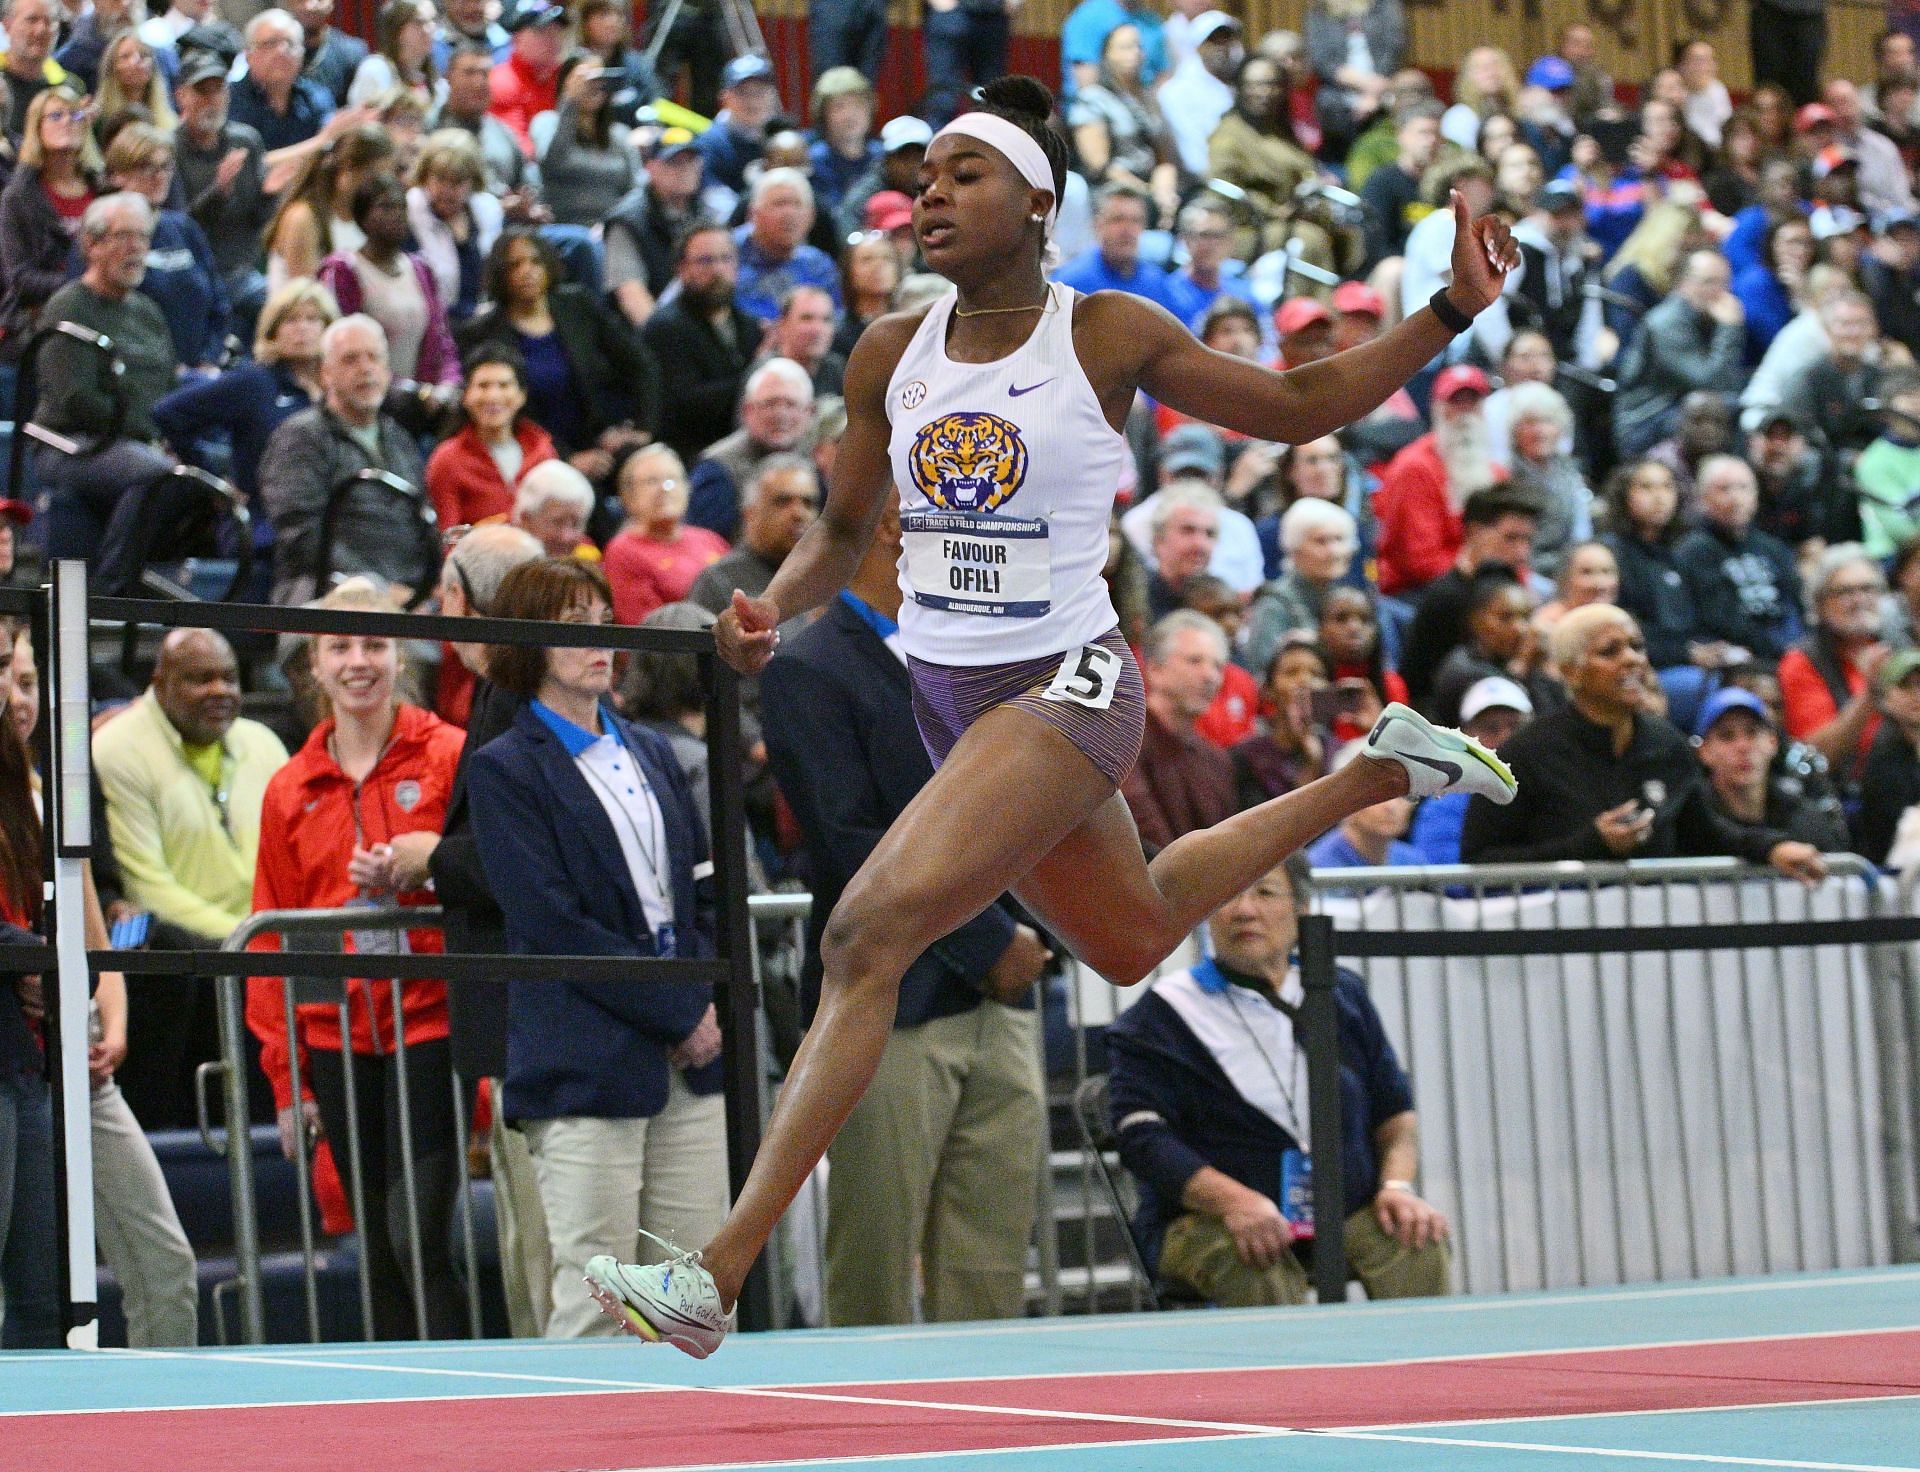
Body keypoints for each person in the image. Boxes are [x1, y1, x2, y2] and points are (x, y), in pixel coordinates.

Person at [581, 74, 1519, 1355]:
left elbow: (1298, 406)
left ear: (1038, 201)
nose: (930, 195)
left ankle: (717, 1274)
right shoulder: (883, 354)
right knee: (1132, 938)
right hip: (950, 697)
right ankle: (1375, 773)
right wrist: (774, 606)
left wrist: (1448, 311)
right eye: (921, 178)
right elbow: (844, 530)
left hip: (1069, 680)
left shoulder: (1106, 333)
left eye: (964, 174)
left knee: (862, 936)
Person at [761, 497, 1047, 1323]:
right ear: (888, 523)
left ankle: (989, 1432)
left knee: (990, 1264)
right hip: (896, 1003)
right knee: (875, 1264)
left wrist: (1036, 938)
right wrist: (992, 940)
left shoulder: (977, 646)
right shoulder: (808, 666)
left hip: (1005, 996)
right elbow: (852, 840)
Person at [468, 557, 728, 1338]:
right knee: (596, 1304)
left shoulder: (651, 750)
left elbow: (700, 890)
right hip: (584, 1056)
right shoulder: (503, 768)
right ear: (530, 646)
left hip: (690, 1054)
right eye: (572, 623)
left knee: (690, 1299)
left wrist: (702, 999)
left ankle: (695, 1458)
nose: (597, 640)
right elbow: (551, 923)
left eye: (601, 618)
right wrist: (680, 1011)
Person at [244, 577, 466, 1340]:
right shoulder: (288, 788)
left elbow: (479, 875)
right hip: (335, 1041)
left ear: (399, 654)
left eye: (373, 643)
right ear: (315, 662)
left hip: (432, 1028)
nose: (359, 661)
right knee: (372, 1247)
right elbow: (273, 937)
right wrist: (288, 1081)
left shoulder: (446, 755)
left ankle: (466, 1405)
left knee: (420, 1238)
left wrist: (424, 867)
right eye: (340, 645)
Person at [1105, 850, 1448, 1306]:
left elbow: (1396, 1114)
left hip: (1343, 1212)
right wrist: (1234, 1202)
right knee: (1251, 1257)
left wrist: (1396, 1187)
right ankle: (1294, 1378)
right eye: (1226, 896)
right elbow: (1142, 1139)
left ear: (1301, 909)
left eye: (1265, 892)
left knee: (1414, 1238)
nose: (1244, 909)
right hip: (1208, 1221)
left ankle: (1416, 1377)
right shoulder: (1158, 1018)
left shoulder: (1339, 992)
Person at [423, 522, 551, 1334]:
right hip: (521, 1012)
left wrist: (428, 859)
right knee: (524, 1232)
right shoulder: (502, 693)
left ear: (464, 600)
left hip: (526, 1008)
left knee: (539, 1240)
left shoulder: (512, 699)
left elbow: (512, 856)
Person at [1461, 604, 1825, 879]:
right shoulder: (1525, 753)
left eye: (1636, 646)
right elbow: (1480, 861)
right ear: (1571, 671)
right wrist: (1591, 845)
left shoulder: (1667, 744)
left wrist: (1773, 847)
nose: (1632, 660)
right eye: (1610, 651)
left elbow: (1706, 832)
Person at [93, 629, 289, 1130]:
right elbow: (146, 887)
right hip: (184, 960)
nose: (220, 690)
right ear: (159, 683)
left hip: (264, 950)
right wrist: (251, 940)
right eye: (200, 679)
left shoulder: (263, 743)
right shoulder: (116, 749)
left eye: (229, 677)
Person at [32, 191, 179, 564]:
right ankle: (114, 594)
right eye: (124, 237)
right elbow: (77, 399)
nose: (136, 248)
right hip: (72, 443)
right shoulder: (70, 305)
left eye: (143, 238)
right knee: (152, 473)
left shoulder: (149, 312)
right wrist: (149, 434)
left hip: (135, 442)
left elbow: (168, 390)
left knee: (211, 477)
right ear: (91, 245)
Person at [259, 314, 436, 606]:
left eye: (374, 358)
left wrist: (432, 583)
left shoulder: (400, 439)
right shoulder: (300, 437)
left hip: (407, 591)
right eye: (350, 359)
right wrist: (376, 589)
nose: (366, 369)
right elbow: (302, 536)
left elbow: (421, 525)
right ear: (326, 374)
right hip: (326, 589)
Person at [457, 228, 658, 468]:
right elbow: (506, 415)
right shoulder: (481, 333)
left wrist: (642, 427)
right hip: (531, 457)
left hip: (603, 442)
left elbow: (641, 364)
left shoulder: (579, 305)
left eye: (535, 261)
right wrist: (566, 458)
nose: (527, 271)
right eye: (514, 265)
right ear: (501, 274)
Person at [155, 278, 336, 541]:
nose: (302, 330)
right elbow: (168, 413)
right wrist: (214, 481)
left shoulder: (338, 387)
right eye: (291, 321)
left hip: (328, 518)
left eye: (312, 319)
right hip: (265, 522)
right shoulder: (254, 382)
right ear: (273, 331)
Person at [1397, 485, 1541, 709]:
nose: (1522, 552)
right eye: (1511, 538)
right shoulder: (1446, 599)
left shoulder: (1513, 587)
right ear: (1473, 532)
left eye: (1528, 540)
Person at [317, 173, 460, 388]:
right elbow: (337, 342)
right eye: (386, 207)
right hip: (365, 390)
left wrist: (449, 383)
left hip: (424, 396)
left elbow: (443, 341)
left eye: (401, 207)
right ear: (362, 216)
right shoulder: (343, 270)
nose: (397, 215)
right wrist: (406, 390)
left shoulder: (421, 268)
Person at [1373, 365, 1503, 599]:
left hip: (1482, 584)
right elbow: (1419, 562)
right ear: (1438, 410)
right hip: (1419, 592)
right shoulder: (1414, 468)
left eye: (1472, 402)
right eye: (1456, 403)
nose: (1465, 413)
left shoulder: (1496, 473)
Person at [641, 223, 760, 464]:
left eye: (725, 259)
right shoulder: (664, 328)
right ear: (681, 269)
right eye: (705, 261)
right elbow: (685, 405)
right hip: (691, 455)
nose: (717, 270)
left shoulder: (749, 325)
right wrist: (755, 374)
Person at [1613, 251, 1748, 459]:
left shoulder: (1707, 319)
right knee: (1732, 411)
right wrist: (1729, 330)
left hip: (1681, 412)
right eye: (1709, 282)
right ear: (1684, 283)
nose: (1720, 292)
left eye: (1724, 283)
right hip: (1647, 422)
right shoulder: (1666, 322)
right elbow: (1708, 382)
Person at [1778, 545, 1893, 789]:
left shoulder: (1896, 645)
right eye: (1845, 592)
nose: (1860, 600)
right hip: (1848, 795)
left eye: (1868, 588)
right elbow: (1815, 758)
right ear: (1819, 604)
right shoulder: (1802, 661)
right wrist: (1869, 696)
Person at [1674, 455, 1803, 663]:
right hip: (1738, 654)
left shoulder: (1772, 547)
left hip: (1787, 646)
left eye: (1743, 488)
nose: (1735, 498)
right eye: (1724, 489)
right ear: (1703, 498)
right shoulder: (1694, 551)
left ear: (1756, 496)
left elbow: (1795, 603)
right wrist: (1780, 651)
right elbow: (1720, 618)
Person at [0, 85, 99, 355]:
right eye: (56, 116)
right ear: (36, 128)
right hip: (37, 329)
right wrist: (86, 281)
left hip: (99, 319)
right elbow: (19, 279)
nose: (67, 122)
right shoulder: (18, 197)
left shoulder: (101, 190)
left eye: (76, 115)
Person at [1694, 686, 1849, 855]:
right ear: (1704, 752)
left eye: (1752, 733)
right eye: (1727, 736)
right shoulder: (1693, 822)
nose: (1743, 747)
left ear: (1772, 742)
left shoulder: (1805, 817)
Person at [172, 48, 273, 301]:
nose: (211, 99)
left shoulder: (247, 141)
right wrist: (217, 192)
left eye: (218, 89)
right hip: (197, 272)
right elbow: (177, 230)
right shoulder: (169, 150)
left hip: (248, 267)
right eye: (201, 91)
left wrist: (271, 194)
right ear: (181, 96)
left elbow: (259, 219)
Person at [426, 343, 558, 533]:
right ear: (465, 396)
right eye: (483, 386)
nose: (493, 396)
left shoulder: (544, 452)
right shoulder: (447, 460)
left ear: (522, 395)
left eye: (504, 385)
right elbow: (447, 539)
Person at [685, 359, 816, 542]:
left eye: (791, 404)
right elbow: (704, 545)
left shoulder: (818, 461)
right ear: (747, 411)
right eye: (770, 404)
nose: (780, 414)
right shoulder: (718, 469)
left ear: (809, 413)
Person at [1408, 675, 1533, 864]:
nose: (1506, 738)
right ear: (1466, 735)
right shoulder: (1443, 805)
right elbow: (1443, 875)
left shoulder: (1551, 785)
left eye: (1515, 726)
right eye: (1491, 728)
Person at [261, 123, 396, 293]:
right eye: (374, 176)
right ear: (347, 168)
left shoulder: (365, 215)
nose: (381, 187)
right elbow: (308, 296)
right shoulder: (303, 217)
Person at [603, 445, 727, 625]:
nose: (665, 489)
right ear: (628, 497)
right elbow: (644, 628)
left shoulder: (712, 540)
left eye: (673, 479)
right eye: (652, 481)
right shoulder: (623, 552)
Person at [687, 454, 821, 619]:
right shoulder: (717, 583)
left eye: (808, 503)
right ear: (750, 513)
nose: (799, 514)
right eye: (782, 502)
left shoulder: (830, 579)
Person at [602, 127, 703, 330]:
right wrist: (664, 340)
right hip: (653, 337)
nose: (685, 169)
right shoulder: (626, 222)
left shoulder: (705, 213)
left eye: (691, 161)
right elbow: (632, 297)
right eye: (674, 162)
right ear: (650, 168)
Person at [407, 129, 500, 327]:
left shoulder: (486, 210)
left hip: (480, 318)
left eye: (457, 182)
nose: (447, 192)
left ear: (472, 182)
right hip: (431, 323)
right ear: (425, 176)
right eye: (440, 179)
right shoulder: (409, 213)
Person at [534, 52, 633, 230]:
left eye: (601, 78)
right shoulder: (547, 122)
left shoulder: (619, 134)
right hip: (565, 228)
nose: (595, 86)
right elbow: (550, 163)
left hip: (613, 228)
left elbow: (635, 188)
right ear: (566, 83)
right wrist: (570, 102)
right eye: (587, 79)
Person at [487, 3, 566, 158]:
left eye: (557, 31)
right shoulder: (502, 82)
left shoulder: (565, 77)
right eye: (542, 31)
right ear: (517, 39)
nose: (552, 39)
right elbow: (517, 147)